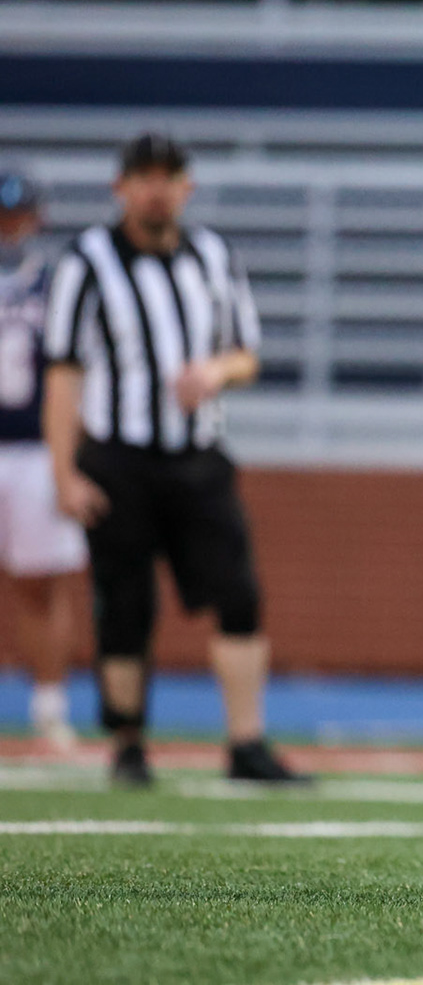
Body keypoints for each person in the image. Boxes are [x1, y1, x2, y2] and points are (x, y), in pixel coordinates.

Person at [41, 133, 305, 786]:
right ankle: (128, 745)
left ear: (186, 186)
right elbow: (63, 373)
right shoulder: (89, 261)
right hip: (119, 459)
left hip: (198, 457)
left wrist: (214, 372)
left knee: (240, 596)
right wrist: (63, 472)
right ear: (120, 187)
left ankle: (246, 742)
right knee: (126, 607)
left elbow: (247, 353)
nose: (156, 189)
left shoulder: (213, 256)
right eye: (144, 177)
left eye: (168, 176)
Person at [0, 166, 89, 750]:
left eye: (18, 215)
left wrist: (69, 461)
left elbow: (73, 375)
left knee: (41, 583)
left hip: (33, 446)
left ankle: (50, 708)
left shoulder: (55, 283)